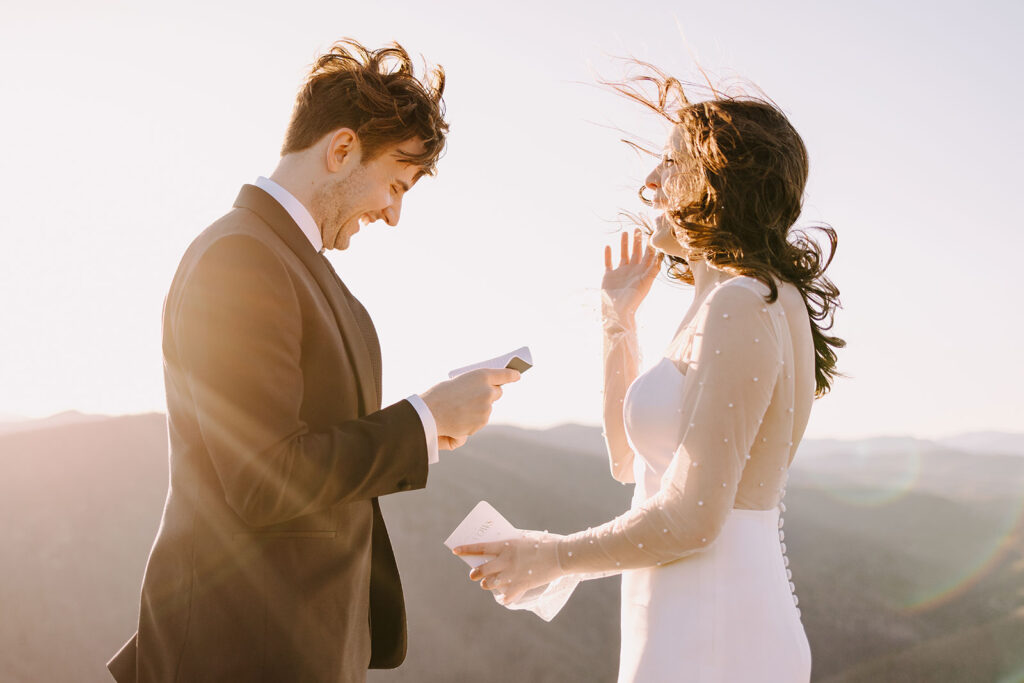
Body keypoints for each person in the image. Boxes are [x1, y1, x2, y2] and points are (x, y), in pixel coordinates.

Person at [107, 39, 520, 683]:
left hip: (308, 647)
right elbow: (264, 477)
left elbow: (319, 449)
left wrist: (430, 429)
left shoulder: (312, 277)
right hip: (239, 650)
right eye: (394, 184)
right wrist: (417, 420)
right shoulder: (238, 259)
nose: (393, 213)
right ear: (341, 149)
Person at [454, 66, 844, 682]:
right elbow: (629, 465)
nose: (650, 183)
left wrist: (549, 558)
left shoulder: (743, 303)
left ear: (716, 179)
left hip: (716, 628)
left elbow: (691, 518)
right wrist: (618, 321)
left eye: (669, 162)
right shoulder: (725, 302)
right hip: (684, 613)